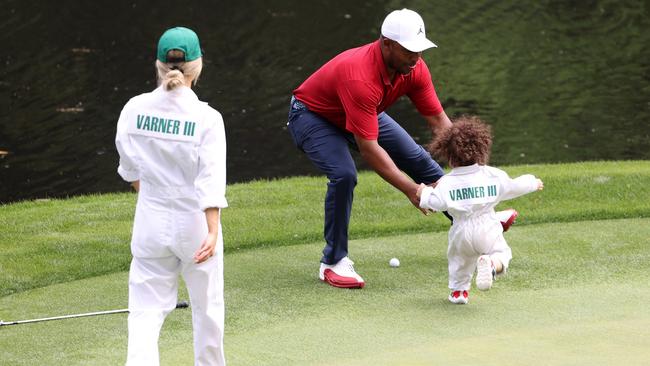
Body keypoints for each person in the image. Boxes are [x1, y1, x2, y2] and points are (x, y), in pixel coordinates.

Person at [287, 8, 517, 289]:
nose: (417, 57)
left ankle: (479, 217)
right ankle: (333, 262)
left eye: (420, 49)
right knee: (344, 174)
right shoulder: (360, 77)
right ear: (387, 44)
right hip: (313, 116)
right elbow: (369, 149)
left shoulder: (413, 67)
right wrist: (412, 190)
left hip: (362, 111)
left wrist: (472, 172)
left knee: (419, 159)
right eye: (410, 50)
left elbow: (439, 123)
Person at [115, 27, 228, 365]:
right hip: (195, 222)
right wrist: (211, 230)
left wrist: (152, 199)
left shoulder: (134, 109)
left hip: (150, 220)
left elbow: (130, 169)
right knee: (207, 309)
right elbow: (210, 179)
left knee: (144, 314)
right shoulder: (207, 118)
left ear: (158, 65)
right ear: (198, 66)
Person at [416, 116, 544, 304]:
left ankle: (459, 293)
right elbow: (514, 187)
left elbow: (436, 202)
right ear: (482, 149)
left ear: (449, 155)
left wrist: (423, 192)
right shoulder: (493, 175)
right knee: (502, 253)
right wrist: (532, 182)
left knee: (460, 262)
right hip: (487, 225)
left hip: (460, 230)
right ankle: (492, 264)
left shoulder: (447, 182)